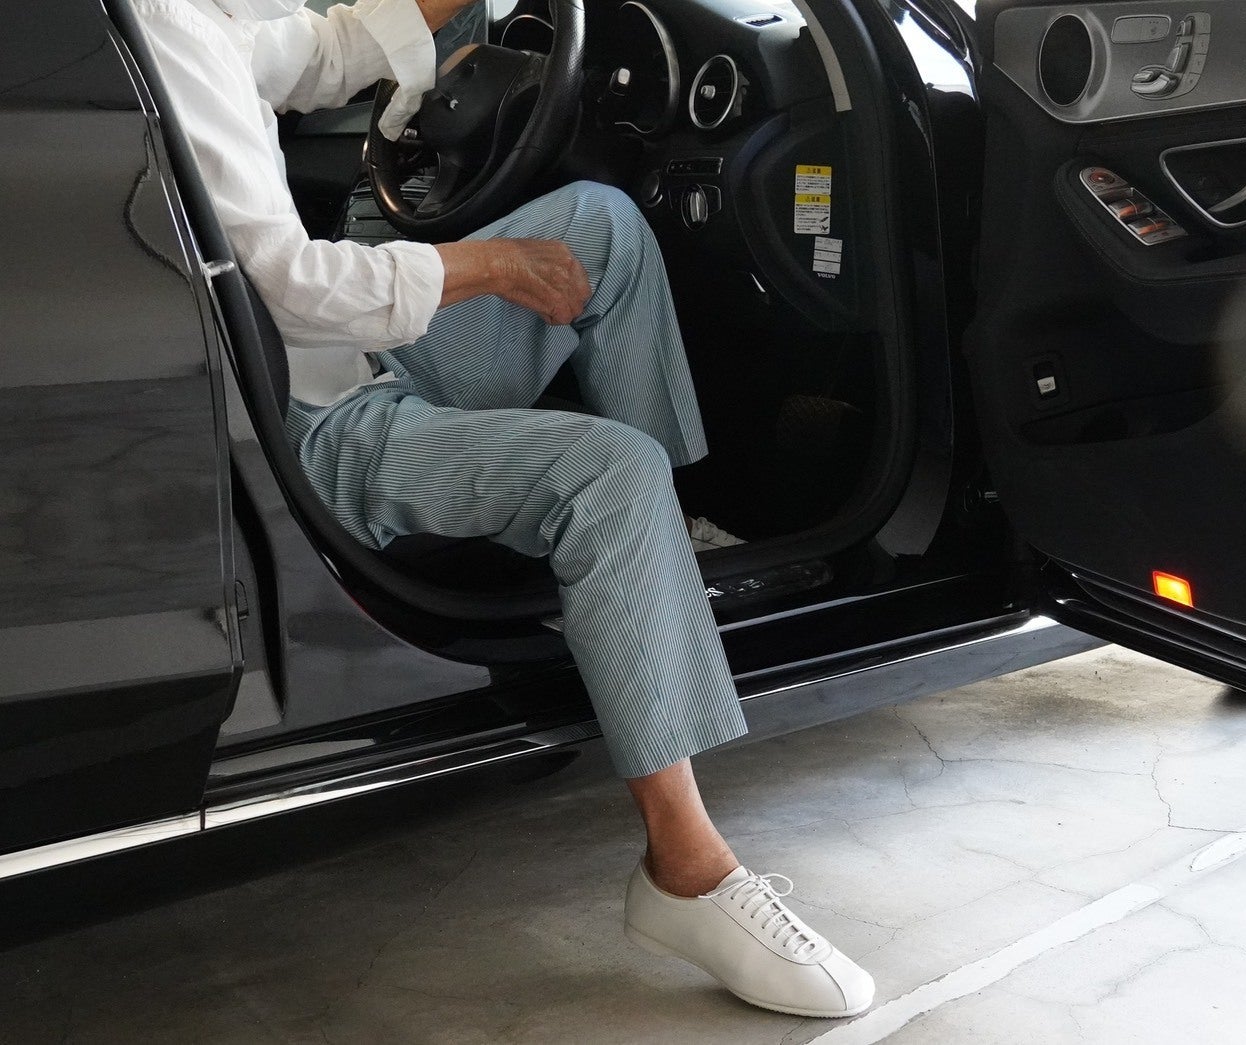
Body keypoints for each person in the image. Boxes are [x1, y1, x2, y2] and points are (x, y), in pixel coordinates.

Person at [129, 0, 875, 1019]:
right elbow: (291, 285)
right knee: (608, 470)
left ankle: (659, 556)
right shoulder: (160, 26)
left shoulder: (201, 14)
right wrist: (490, 265)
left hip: (346, 357)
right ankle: (685, 868)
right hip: (312, 420)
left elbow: (328, 51)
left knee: (602, 225)